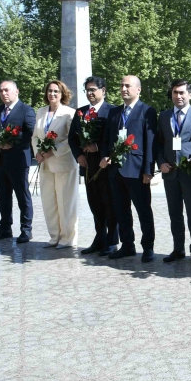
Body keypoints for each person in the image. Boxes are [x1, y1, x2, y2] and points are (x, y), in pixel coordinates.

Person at [99, 76, 157, 262]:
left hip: (137, 170)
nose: (123, 89)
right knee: (121, 210)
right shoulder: (114, 112)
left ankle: (148, 247)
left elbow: (150, 142)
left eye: (127, 86)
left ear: (138, 89)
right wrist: (104, 156)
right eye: (121, 85)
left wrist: (148, 170)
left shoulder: (147, 111)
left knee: (143, 210)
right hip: (115, 170)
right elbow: (107, 140)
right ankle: (127, 245)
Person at [155, 79, 191, 264]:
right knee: (174, 214)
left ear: (190, 95)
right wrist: (161, 163)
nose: (178, 96)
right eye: (175, 92)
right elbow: (159, 143)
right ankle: (178, 249)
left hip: (190, 173)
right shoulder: (164, 116)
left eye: (182, 92)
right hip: (170, 173)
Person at [68, 76, 118, 256]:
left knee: (109, 204)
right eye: (87, 90)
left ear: (103, 91)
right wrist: (79, 155)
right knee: (95, 204)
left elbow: (115, 138)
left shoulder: (112, 111)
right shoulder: (80, 112)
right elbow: (72, 138)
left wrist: (98, 147)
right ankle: (100, 238)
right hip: (88, 166)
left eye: (93, 89)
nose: (89, 93)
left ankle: (112, 241)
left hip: (106, 166)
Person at [0, 80, 36, 244]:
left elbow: (30, 134)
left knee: (22, 196)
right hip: (0, 160)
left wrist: (13, 143)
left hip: (18, 160)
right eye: (1, 91)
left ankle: (26, 230)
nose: (3, 93)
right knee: (3, 196)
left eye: (6, 90)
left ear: (17, 91)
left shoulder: (26, 110)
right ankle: (5, 228)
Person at [33, 80, 79, 249]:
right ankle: (54, 237)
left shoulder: (69, 113)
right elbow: (35, 136)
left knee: (65, 202)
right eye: (50, 91)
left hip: (63, 163)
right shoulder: (41, 111)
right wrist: (37, 152)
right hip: (45, 163)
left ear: (62, 94)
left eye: (56, 91)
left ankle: (67, 239)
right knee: (49, 203)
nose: (52, 94)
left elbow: (71, 139)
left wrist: (54, 150)